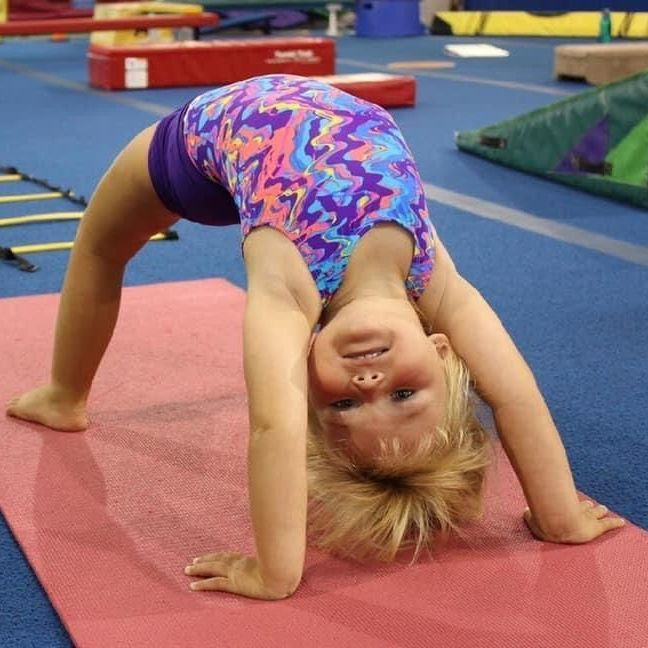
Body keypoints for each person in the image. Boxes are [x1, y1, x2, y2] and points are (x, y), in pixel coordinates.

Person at [6, 74, 624, 600]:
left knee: (99, 245)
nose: (370, 382)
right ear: (442, 352)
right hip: (291, 114)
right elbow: (515, 395)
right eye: (404, 395)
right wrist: (559, 515)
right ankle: (63, 396)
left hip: (205, 143)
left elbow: (272, 425)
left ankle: (66, 395)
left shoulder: (289, 290)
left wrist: (276, 571)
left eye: (346, 404)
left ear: (306, 378)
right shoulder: (439, 285)